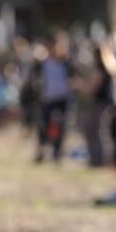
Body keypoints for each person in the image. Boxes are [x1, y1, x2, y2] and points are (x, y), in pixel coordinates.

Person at [31, 34, 74, 163]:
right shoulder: (43, 63)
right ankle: (41, 151)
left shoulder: (66, 63)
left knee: (60, 126)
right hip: (47, 99)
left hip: (62, 99)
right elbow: (34, 78)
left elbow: (72, 79)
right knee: (44, 126)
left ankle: (57, 152)